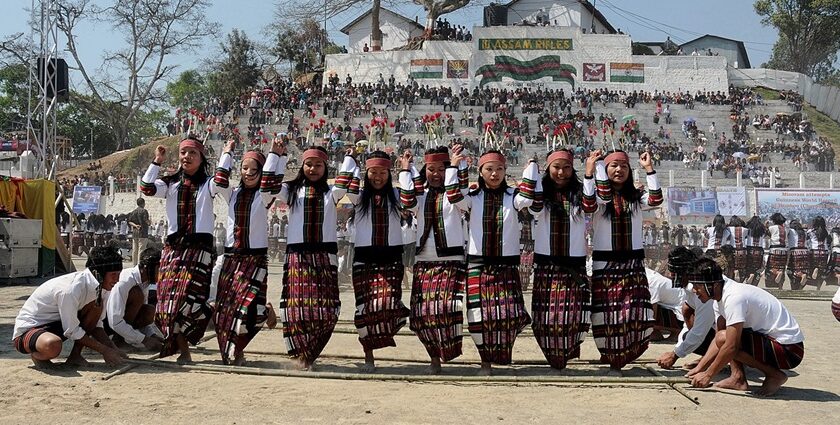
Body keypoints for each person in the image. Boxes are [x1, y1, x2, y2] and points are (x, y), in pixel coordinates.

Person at [448, 149, 531, 376]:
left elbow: (530, 197)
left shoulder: (514, 196)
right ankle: (485, 361)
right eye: (489, 169)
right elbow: (454, 195)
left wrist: (531, 168)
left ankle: (503, 356)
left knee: (508, 314)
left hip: (506, 266)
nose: (494, 174)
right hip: (478, 265)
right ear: (481, 172)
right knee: (478, 317)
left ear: (506, 171)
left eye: (499, 169)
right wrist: (455, 167)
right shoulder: (473, 199)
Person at [139, 137, 222, 362]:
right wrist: (157, 161)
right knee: (167, 301)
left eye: (192, 153)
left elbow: (223, 180)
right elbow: (146, 188)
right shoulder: (169, 183)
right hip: (174, 249)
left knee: (191, 301)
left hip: (200, 249)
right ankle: (179, 347)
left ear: (202, 158)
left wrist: (227, 154)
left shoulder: (209, 183)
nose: (187, 157)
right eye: (183, 152)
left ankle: (185, 347)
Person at [582, 149, 663, 375]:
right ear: (605, 171)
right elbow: (588, 204)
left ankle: (624, 353)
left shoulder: (637, 198)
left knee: (635, 312)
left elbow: (656, 198)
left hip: (632, 263)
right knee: (606, 314)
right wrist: (592, 170)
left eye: (623, 166)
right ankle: (609, 354)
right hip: (604, 264)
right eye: (613, 166)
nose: (619, 170)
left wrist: (649, 168)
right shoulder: (599, 198)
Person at [275, 145, 348, 370]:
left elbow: (346, 180)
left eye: (318, 165)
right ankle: (301, 356)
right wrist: (277, 155)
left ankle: (311, 352)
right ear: (302, 166)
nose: (313, 169)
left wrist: (351, 156)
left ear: (326, 167)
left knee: (327, 310)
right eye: (309, 164)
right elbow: (268, 184)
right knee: (296, 309)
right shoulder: (291, 190)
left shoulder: (332, 192)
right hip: (298, 255)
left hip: (325, 256)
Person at [211, 140, 283, 365]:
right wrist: (227, 153)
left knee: (254, 311)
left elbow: (270, 180)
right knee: (227, 310)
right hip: (232, 257)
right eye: (245, 168)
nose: (249, 173)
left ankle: (240, 347)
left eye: (255, 169)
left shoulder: (265, 196)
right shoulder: (231, 194)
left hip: (255, 257)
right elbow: (220, 179)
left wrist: (274, 153)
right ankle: (235, 351)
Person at [687, 258, 804, 396]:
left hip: (790, 350)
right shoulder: (718, 298)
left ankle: (775, 375)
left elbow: (730, 346)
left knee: (728, 340)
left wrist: (708, 375)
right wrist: (700, 368)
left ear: (713, 285)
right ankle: (737, 378)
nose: (694, 290)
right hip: (774, 342)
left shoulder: (734, 297)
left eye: (697, 285)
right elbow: (718, 341)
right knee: (724, 337)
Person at [519, 149, 590, 371]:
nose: (561, 172)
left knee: (571, 316)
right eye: (556, 167)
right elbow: (532, 202)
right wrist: (532, 167)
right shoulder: (541, 194)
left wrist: (589, 172)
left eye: (566, 167)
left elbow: (591, 205)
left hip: (573, 265)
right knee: (545, 318)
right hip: (546, 265)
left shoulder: (581, 193)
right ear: (548, 168)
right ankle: (552, 356)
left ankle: (565, 356)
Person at [398, 146, 468, 374]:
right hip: (424, 262)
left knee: (445, 309)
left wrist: (456, 167)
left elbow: (458, 190)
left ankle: (447, 350)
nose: (436, 173)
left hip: (451, 261)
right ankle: (434, 358)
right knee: (420, 314)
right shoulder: (421, 196)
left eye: (442, 169)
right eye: (431, 169)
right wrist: (405, 170)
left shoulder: (457, 196)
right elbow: (407, 200)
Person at [344, 150, 411, 372]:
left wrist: (405, 169)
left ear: (389, 173)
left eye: (383, 172)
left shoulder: (396, 194)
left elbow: (410, 195)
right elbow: (349, 186)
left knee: (389, 303)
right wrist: (351, 161)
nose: (378, 176)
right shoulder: (360, 197)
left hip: (391, 256)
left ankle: (391, 326)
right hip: (364, 257)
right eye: (373, 171)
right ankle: (368, 356)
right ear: (367, 172)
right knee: (364, 309)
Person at [12, 246, 127, 368]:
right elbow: (71, 330)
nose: (117, 279)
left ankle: (75, 356)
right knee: (53, 345)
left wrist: (112, 348)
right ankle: (37, 355)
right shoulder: (70, 289)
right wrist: (104, 350)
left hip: (56, 325)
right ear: (99, 273)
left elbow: (96, 324)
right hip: (29, 331)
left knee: (96, 307)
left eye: (119, 274)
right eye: (113, 274)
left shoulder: (101, 287)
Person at [657, 247, 717, 370]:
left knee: (724, 334)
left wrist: (675, 355)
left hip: (744, 334)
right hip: (715, 327)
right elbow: (688, 325)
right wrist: (677, 350)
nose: (669, 275)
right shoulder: (690, 288)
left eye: (672, 272)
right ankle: (709, 357)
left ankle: (728, 368)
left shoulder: (704, 288)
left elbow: (700, 331)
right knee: (686, 311)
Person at [106, 247, 164, 351]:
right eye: (159, 269)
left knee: (149, 311)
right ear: (147, 267)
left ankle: (123, 338)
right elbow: (115, 321)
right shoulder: (125, 281)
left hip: (117, 321)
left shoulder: (144, 282)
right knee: (137, 295)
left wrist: (152, 335)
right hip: (106, 321)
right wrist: (144, 340)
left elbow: (139, 313)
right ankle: (119, 340)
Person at [765, 213, 795, 289]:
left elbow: (767, 235)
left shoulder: (772, 228)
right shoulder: (787, 228)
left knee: (770, 267)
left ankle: (777, 273)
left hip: (774, 250)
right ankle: (780, 286)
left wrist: (766, 226)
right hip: (784, 251)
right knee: (782, 267)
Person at [805, 216, 831, 290]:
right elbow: (829, 242)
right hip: (824, 253)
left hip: (814, 251)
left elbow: (807, 242)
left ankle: (815, 269)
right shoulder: (826, 232)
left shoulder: (810, 232)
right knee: (821, 271)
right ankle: (818, 287)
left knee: (810, 268)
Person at [786, 219, 810, 290]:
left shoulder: (790, 231)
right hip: (805, 253)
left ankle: (801, 276)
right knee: (802, 269)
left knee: (790, 270)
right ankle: (799, 286)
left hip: (795, 252)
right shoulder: (804, 232)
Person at [744, 215, 767, 285]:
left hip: (749, 249)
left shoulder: (748, 229)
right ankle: (755, 281)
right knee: (758, 267)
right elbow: (765, 235)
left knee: (748, 265)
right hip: (759, 250)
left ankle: (750, 275)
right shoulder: (762, 229)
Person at [127, 198, 151, 265]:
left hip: (135, 233)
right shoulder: (144, 211)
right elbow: (146, 220)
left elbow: (129, 221)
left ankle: (134, 264)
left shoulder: (133, 212)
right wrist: (149, 222)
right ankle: (140, 264)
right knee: (141, 250)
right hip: (143, 233)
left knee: (135, 250)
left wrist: (135, 225)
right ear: (143, 203)